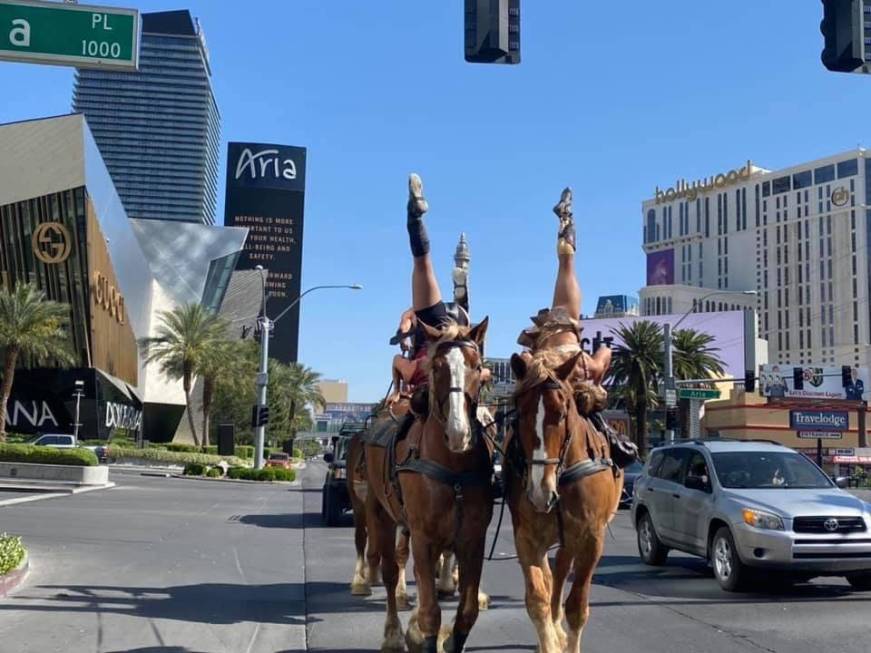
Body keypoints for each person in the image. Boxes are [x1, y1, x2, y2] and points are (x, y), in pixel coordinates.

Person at [386, 175, 488, 408]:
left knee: (422, 265)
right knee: (422, 264)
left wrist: (398, 387)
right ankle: (415, 219)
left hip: (443, 331)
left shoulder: (416, 370)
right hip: (449, 327)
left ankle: (461, 297)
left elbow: (396, 360)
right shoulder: (416, 366)